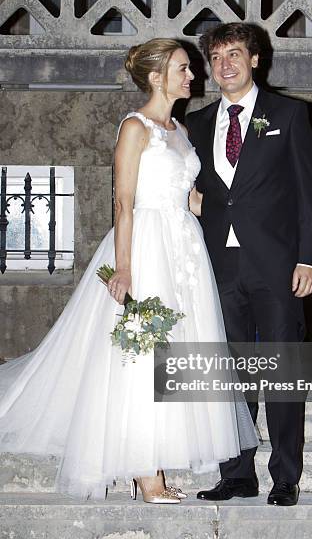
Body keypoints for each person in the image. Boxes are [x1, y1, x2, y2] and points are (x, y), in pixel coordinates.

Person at [0, 38, 257, 503]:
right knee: (143, 358)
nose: (192, 76)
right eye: (182, 68)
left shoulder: (179, 130)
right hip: (145, 246)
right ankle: (145, 474)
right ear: (157, 77)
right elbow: (123, 200)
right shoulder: (136, 128)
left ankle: (153, 464)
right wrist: (124, 267)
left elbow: (194, 198)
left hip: (185, 249)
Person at [186, 23, 312, 506]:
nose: (225, 65)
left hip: (278, 266)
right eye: (217, 56)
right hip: (218, 266)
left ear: (255, 59)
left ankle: (285, 475)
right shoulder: (196, 123)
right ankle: (237, 472)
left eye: (235, 54)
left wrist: (310, 258)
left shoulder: (289, 113)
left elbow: (311, 193)